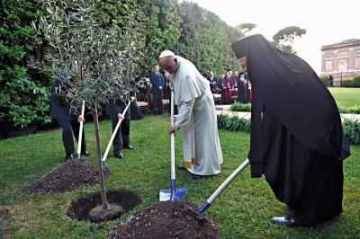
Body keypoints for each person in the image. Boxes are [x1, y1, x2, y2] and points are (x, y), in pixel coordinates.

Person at [232, 34, 344, 227]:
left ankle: (305, 216)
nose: (246, 71)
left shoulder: (276, 73)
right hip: (313, 125)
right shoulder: (284, 65)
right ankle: (322, 210)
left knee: (305, 168)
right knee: (307, 167)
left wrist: (262, 146)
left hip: (312, 129)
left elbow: (280, 110)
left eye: (245, 65)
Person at [158, 50, 223, 179]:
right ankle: (190, 163)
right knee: (189, 135)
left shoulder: (186, 76)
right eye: (165, 69)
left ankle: (204, 169)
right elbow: (171, 76)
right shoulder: (175, 65)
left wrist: (176, 125)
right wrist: (170, 78)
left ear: (175, 60)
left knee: (202, 138)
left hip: (201, 107)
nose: (168, 71)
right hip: (191, 104)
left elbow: (187, 107)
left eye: (169, 68)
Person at [50, 71, 88, 161]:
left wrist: (79, 114)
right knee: (67, 129)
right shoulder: (60, 82)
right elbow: (61, 98)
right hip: (60, 109)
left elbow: (77, 99)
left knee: (79, 126)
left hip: (71, 107)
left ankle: (82, 150)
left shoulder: (77, 82)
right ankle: (69, 153)